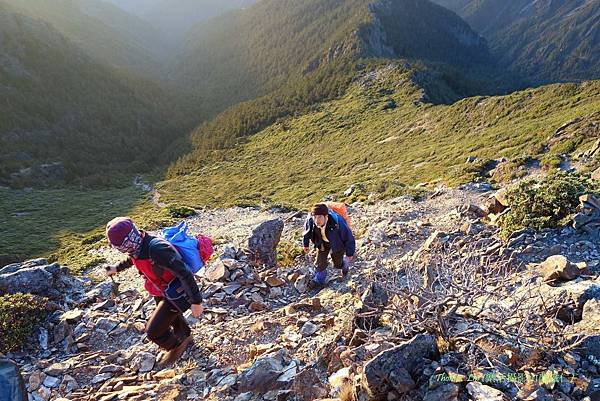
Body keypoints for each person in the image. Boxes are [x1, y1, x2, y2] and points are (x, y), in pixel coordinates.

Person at [104, 217, 203, 367]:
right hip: (162, 290)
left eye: (119, 246)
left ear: (128, 240)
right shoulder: (137, 245)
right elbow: (133, 259)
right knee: (172, 317)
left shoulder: (156, 248)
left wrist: (196, 301)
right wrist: (117, 268)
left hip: (177, 292)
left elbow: (184, 273)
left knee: (153, 332)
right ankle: (186, 337)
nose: (120, 250)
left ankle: (175, 347)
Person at [303, 203, 355, 286]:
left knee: (337, 264)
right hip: (322, 243)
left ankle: (344, 264)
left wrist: (349, 253)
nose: (317, 220)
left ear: (326, 216)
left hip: (337, 243)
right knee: (320, 262)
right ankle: (319, 281)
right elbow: (307, 232)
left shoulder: (338, 222)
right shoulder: (311, 221)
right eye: (315, 217)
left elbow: (348, 237)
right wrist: (305, 244)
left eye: (319, 217)